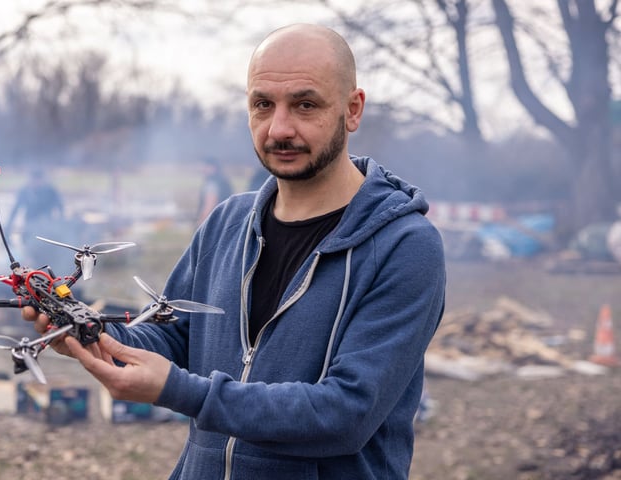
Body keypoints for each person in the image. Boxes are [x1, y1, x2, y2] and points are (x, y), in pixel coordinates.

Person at [23, 23, 445, 479]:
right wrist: (89, 332)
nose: (280, 128)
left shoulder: (404, 246)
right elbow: (175, 338)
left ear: (353, 109)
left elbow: (346, 415)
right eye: (263, 104)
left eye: (305, 105)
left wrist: (186, 393)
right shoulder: (227, 223)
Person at [6, 168, 65, 265]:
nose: (35, 183)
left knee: (46, 252)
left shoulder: (50, 191)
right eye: (33, 180)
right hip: (28, 227)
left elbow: (60, 208)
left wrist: (60, 225)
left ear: (42, 180)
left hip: (47, 228)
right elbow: (15, 209)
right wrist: (8, 227)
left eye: (38, 180)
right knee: (29, 251)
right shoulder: (24, 191)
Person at [195, 156, 233, 225]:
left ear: (212, 167)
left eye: (205, 166)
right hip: (225, 221)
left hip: (214, 222)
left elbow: (210, 204)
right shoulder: (224, 180)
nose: (202, 169)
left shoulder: (212, 183)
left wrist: (200, 223)